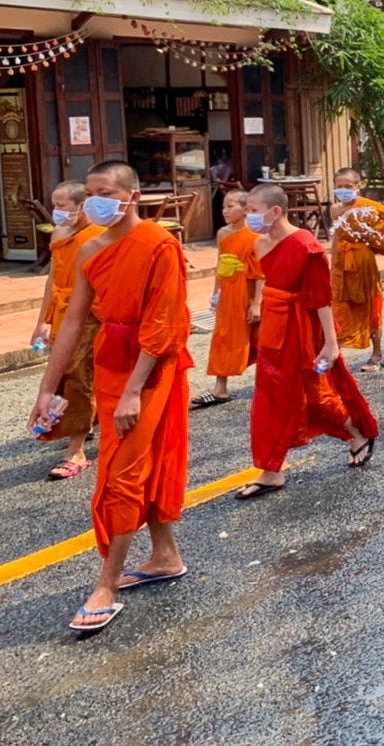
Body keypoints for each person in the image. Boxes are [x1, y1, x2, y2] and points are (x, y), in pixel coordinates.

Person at [28, 161, 194, 633]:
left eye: (105, 193)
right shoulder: (90, 250)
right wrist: (46, 388)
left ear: (132, 197)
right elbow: (74, 323)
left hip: (152, 367)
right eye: (91, 194)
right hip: (110, 361)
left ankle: (108, 583)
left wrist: (133, 392)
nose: (96, 202)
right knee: (142, 462)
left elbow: (164, 323)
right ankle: (164, 555)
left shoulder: (160, 245)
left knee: (123, 470)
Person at [238, 184, 380, 496]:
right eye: (247, 210)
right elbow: (261, 281)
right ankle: (271, 470)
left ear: (275, 212)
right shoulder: (259, 243)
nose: (248, 216)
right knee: (268, 398)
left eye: (253, 210)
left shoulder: (305, 245)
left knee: (314, 393)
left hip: (301, 330)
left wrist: (330, 342)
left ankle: (356, 434)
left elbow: (321, 298)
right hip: (272, 331)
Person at [29, 181, 103, 479]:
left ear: (82, 206)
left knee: (79, 377)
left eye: (61, 206)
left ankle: (76, 450)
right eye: (54, 205)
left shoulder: (98, 236)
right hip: (63, 314)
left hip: (91, 315)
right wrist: (42, 320)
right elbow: (53, 280)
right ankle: (84, 427)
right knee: (65, 374)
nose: (56, 212)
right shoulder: (60, 233)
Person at [329, 168, 384, 372]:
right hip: (341, 263)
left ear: (358, 187)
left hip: (362, 261)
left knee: (370, 306)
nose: (343, 190)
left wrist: (372, 237)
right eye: (339, 186)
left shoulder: (368, 207)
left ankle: (377, 354)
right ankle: (336, 356)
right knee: (339, 307)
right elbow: (336, 238)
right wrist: (331, 266)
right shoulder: (335, 209)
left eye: (348, 186)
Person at [193, 190, 262, 409]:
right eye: (224, 206)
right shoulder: (223, 234)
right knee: (223, 335)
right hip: (229, 292)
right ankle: (219, 388)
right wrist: (215, 294)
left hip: (249, 290)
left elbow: (261, 273)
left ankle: (271, 383)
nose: (225, 211)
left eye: (231, 206)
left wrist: (257, 303)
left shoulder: (256, 235)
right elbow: (220, 265)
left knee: (259, 337)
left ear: (245, 209)